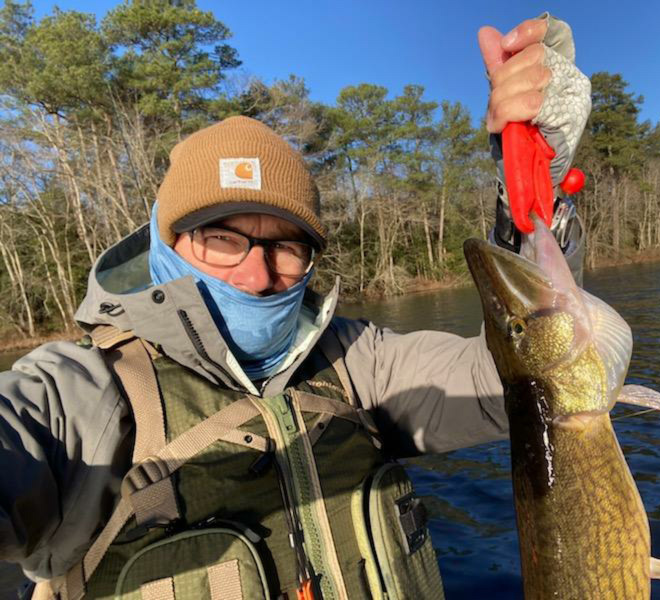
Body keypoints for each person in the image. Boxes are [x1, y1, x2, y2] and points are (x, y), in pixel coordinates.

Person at [0, 13, 589, 600]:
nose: (258, 275)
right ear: (166, 243)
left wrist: (537, 196)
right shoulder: (75, 397)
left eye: (287, 245)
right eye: (223, 238)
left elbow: (527, 379)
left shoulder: (357, 362)